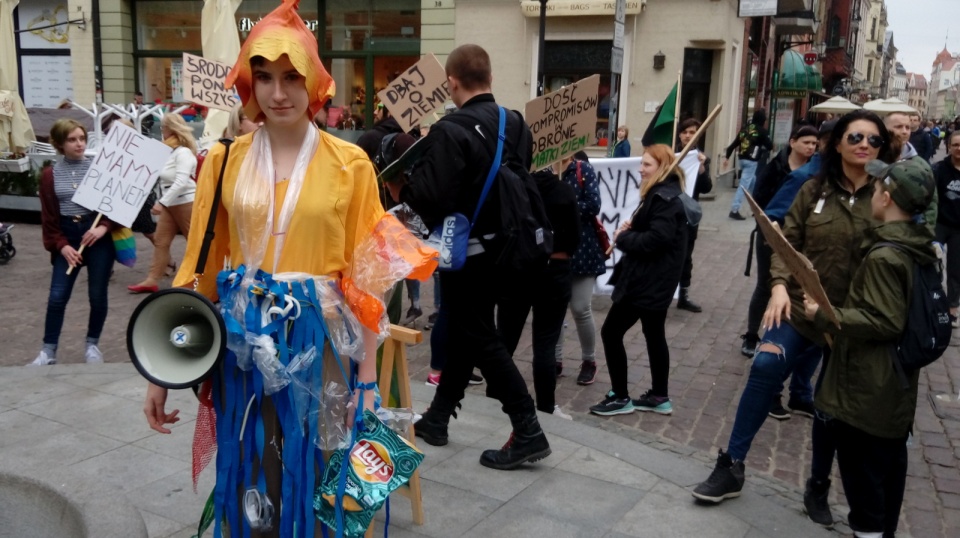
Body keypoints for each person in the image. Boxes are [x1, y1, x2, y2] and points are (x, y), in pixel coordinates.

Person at [141, 1, 426, 533]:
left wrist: (368, 379)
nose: (278, 92)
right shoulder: (224, 162)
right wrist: (163, 369)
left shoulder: (351, 164)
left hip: (322, 341)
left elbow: (369, 277)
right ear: (249, 84)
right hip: (243, 340)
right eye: (265, 76)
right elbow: (198, 271)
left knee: (321, 472)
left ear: (315, 82)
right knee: (251, 464)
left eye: (292, 77)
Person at [692, 110, 897, 508]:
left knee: (828, 402)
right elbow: (786, 240)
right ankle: (732, 464)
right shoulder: (811, 187)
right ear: (836, 142)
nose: (864, 145)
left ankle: (818, 484)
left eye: (873, 140)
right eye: (855, 136)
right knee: (766, 365)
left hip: (855, 322)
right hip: (803, 312)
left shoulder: (888, 194)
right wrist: (780, 287)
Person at [386, 43, 552, 470]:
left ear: (451, 83)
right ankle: (439, 416)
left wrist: (399, 186)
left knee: (479, 335)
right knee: (465, 328)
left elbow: (432, 201)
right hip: (511, 248)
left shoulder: (450, 130)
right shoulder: (516, 124)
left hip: (471, 253)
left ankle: (527, 427)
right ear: (491, 79)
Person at [803, 157, 936, 538]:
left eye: (878, 188)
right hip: (893, 385)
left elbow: (883, 320)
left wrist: (825, 315)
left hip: (868, 389)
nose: (872, 192)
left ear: (888, 196)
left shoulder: (885, 256)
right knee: (887, 478)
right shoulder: (916, 245)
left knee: (866, 493)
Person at [589, 143, 688, 416]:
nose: (640, 169)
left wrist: (625, 238)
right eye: (642, 163)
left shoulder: (663, 198)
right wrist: (636, 227)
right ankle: (659, 396)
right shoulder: (660, 195)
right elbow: (656, 233)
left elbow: (657, 240)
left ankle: (620, 396)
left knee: (611, 332)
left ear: (661, 168)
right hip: (655, 280)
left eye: (647, 165)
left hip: (647, 283)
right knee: (654, 334)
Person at [497, 164, 580, 420]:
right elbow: (575, 238)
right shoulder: (564, 192)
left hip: (519, 270)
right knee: (545, 344)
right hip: (555, 270)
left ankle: (497, 396)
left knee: (505, 340)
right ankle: (546, 405)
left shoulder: (514, 188)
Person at [32, 119, 117, 365]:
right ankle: (48, 350)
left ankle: (92, 345)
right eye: (72, 139)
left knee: (97, 294)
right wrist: (62, 245)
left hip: (96, 235)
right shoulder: (50, 174)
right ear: (59, 144)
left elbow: (114, 207)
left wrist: (104, 227)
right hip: (67, 235)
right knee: (57, 295)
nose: (79, 144)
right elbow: (49, 217)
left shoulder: (98, 169)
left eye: (82, 138)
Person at [740, 124, 820, 364]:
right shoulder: (776, 167)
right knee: (767, 284)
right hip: (770, 235)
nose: (810, 147)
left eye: (814, 144)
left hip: (796, 238)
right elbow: (759, 200)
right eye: (806, 142)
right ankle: (752, 335)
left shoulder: (816, 172)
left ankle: (783, 337)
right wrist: (771, 227)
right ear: (793, 142)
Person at [128, 114, 197, 294]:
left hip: (185, 202)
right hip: (171, 202)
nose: (162, 132)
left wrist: (161, 202)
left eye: (163, 128)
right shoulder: (170, 151)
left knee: (195, 243)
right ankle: (152, 279)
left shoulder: (183, 152)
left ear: (170, 129)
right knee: (161, 241)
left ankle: (198, 277)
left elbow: (181, 181)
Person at [558, 151, 606, 386]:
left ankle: (589, 361)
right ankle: (554, 359)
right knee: (554, 309)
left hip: (583, 249)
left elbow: (594, 204)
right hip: (554, 250)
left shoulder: (582, 170)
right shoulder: (545, 171)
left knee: (580, 307)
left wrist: (562, 205)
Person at [675, 118, 714, 313]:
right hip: (668, 212)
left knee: (685, 255)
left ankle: (684, 295)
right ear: (679, 134)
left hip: (689, 215)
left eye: (693, 132)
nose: (688, 136)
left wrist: (702, 169)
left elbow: (706, 188)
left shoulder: (700, 158)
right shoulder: (669, 155)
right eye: (685, 132)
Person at [724, 109, 772, 220]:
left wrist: (727, 157)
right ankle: (734, 210)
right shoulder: (762, 131)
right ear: (763, 120)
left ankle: (756, 208)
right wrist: (762, 148)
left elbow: (734, 144)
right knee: (743, 186)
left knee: (753, 183)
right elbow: (769, 146)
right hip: (752, 161)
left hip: (741, 159)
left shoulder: (745, 128)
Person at [934, 130, 960, 326]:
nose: (959, 149)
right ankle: (931, 300)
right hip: (941, 224)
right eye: (955, 145)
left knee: (956, 269)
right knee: (932, 262)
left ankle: (952, 306)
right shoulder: (939, 169)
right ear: (949, 146)